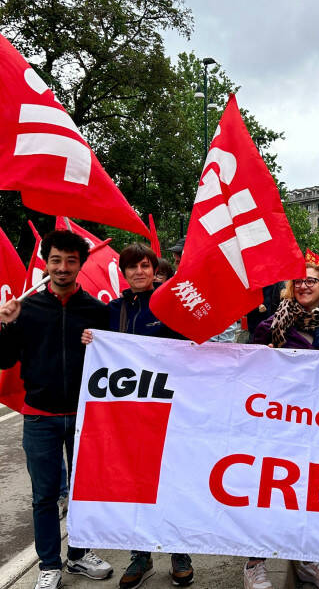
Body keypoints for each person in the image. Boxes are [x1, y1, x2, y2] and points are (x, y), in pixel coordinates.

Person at [0, 230, 112, 589]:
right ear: (46, 263)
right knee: (45, 494)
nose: (62, 268)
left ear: (80, 264)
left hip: (85, 416)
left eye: (70, 260)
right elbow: (4, 359)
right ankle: (49, 564)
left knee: (83, 491)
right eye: (56, 260)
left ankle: (79, 555)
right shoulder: (26, 308)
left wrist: (100, 344)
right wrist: (5, 324)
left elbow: (114, 364)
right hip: (40, 416)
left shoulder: (97, 311)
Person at [82, 243, 192, 589]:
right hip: (127, 412)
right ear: (123, 272)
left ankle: (179, 554)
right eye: (132, 268)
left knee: (171, 482)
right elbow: (101, 346)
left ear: (153, 269)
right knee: (133, 486)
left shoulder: (169, 304)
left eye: (145, 266)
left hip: (168, 409)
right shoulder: (112, 309)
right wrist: (90, 339)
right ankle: (140, 556)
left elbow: (191, 347)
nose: (139, 272)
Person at [248, 264, 319, 589]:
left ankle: (307, 558)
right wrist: (265, 352)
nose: (304, 285)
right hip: (280, 420)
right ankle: (255, 563)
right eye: (299, 281)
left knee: (309, 491)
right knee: (269, 489)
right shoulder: (276, 320)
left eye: (311, 280)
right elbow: (253, 354)